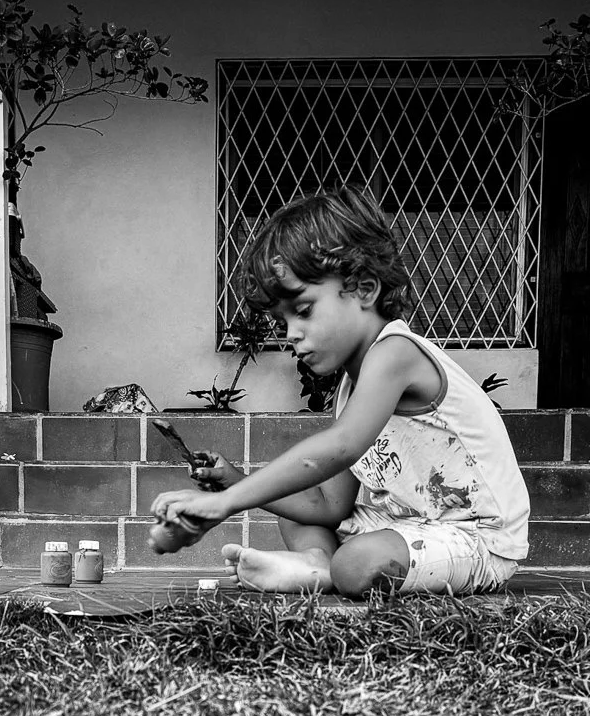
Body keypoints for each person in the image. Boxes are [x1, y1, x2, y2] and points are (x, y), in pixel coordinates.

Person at [149, 185, 530, 596]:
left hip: (475, 538)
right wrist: (234, 481)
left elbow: (342, 446)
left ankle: (330, 570)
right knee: (295, 511)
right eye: (283, 322)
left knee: (357, 564)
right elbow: (330, 505)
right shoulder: (351, 386)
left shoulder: (396, 353)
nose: (292, 334)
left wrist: (224, 504)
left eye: (305, 311)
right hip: (399, 528)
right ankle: (316, 563)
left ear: (365, 289)